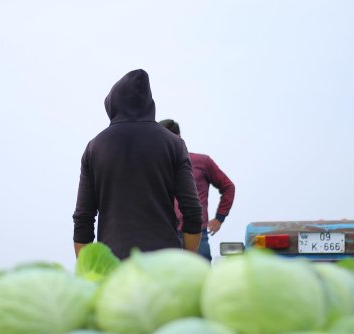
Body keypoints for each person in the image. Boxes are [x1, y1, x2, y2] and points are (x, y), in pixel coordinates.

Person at [73, 69, 203, 260]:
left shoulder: (95, 147)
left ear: (112, 103)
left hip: (114, 267)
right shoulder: (173, 144)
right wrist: (185, 262)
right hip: (164, 264)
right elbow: (192, 210)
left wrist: (90, 271)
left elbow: (83, 219)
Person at [159, 119, 235, 261]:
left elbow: (228, 187)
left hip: (198, 235)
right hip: (166, 236)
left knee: (201, 280)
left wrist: (219, 218)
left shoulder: (202, 162)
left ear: (178, 138)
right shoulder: (156, 167)